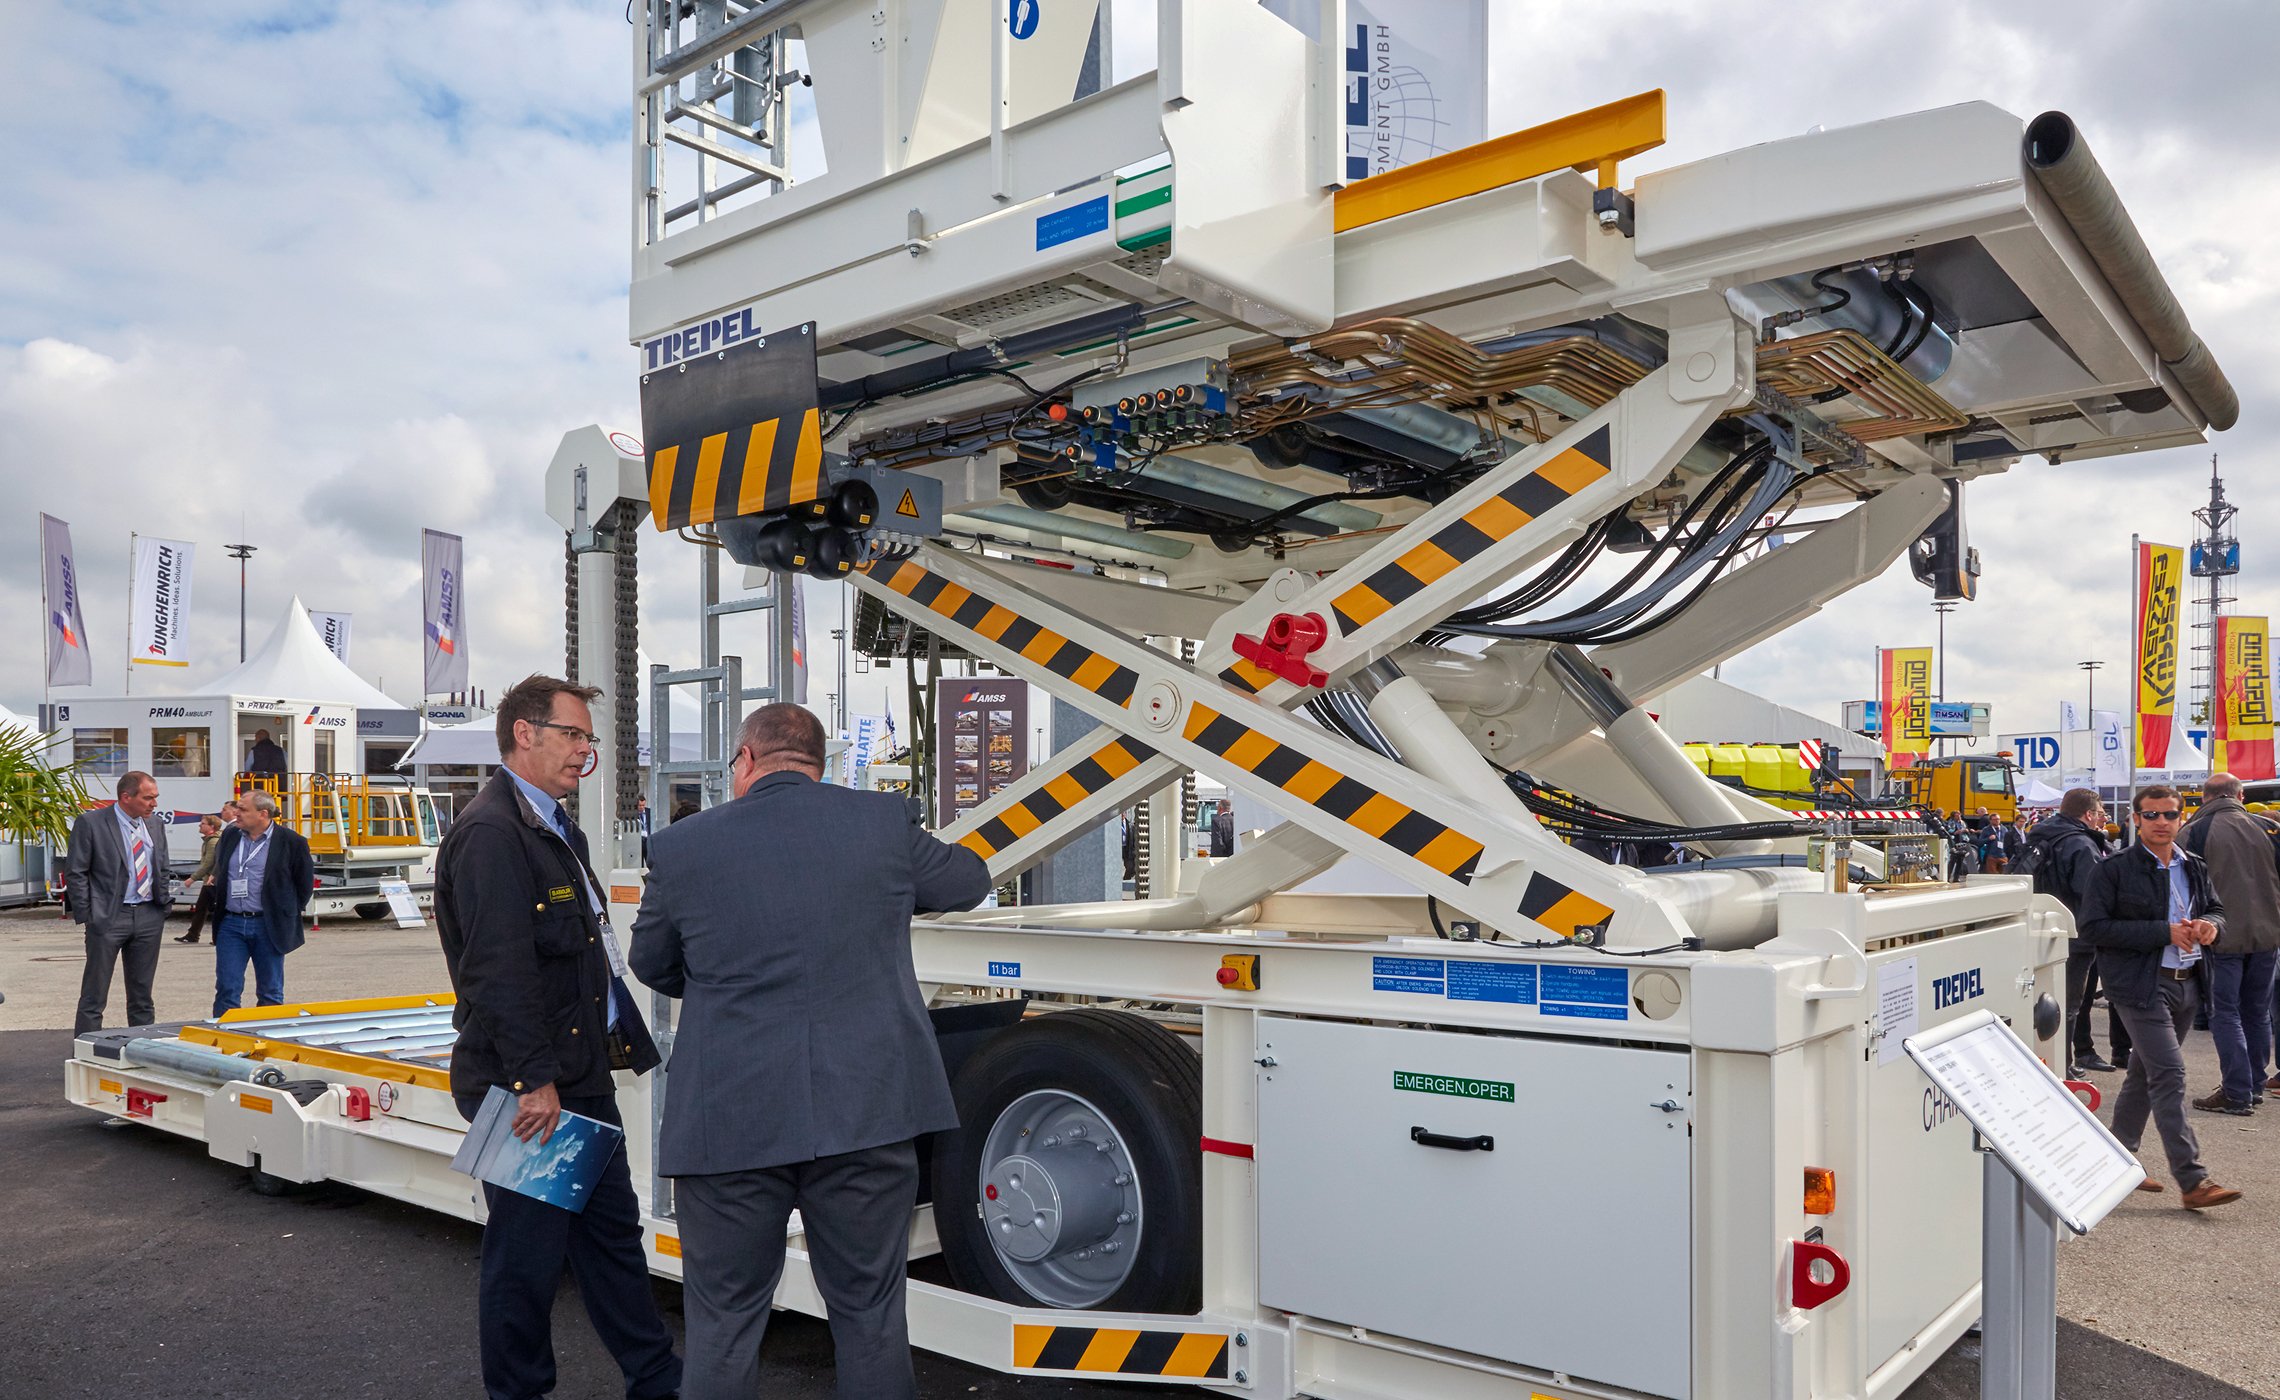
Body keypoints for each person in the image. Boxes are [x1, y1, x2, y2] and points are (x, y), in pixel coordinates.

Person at [632, 702, 990, 1400]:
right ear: (818, 765)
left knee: (724, 1323)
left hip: (729, 1119)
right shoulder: (880, 823)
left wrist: (721, 986)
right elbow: (969, 883)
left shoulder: (681, 846)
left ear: (745, 761)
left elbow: (653, 962)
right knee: (870, 1315)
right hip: (865, 1111)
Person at [435, 674, 680, 1400]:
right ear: (525, 733)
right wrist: (532, 1080)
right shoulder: (492, 834)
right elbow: (496, 971)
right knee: (526, 1260)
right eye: (573, 735)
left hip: (576, 1078)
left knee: (611, 1239)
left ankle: (657, 1381)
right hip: (531, 1090)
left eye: (588, 739)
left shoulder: (550, 825)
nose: (584, 751)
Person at [2079, 785, 2242, 1209]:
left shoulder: (2194, 865)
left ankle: (2114, 1162)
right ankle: (2193, 1180)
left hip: (2188, 982)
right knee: (2169, 1073)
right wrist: (2162, 932)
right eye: (2151, 815)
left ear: (2181, 818)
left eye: (2169, 814)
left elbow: (2217, 909)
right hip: (2140, 985)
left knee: (2143, 1073)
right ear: (2135, 820)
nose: (2161, 822)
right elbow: (2092, 927)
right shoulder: (2113, 868)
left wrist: (2211, 926)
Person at [2181, 773, 2280, 1115]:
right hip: (2267, 934)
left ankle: (2237, 1091)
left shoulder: (2194, 831)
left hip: (2219, 935)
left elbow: (2183, 887)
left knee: (2225, 1012)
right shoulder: (2269, 829)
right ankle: (2252, 1084)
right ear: (2240, 796)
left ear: (2205, 797)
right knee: (2256, 1011)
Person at [66, 770, 174, 1034]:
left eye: (155, 797)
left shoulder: (154, 824)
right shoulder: (92, 823)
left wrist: (162, 907)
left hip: (148, 916)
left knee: (142, 994)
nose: (154, 804)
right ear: (126, 797)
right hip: (108, 917)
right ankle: (86, 1047)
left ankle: (142, 1046)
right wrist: (89, 914)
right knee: (95, 993)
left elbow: (162, 866)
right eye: (148, 798)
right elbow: (76, 871)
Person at [2028, 789, 2125, 1076]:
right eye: (2101, 813)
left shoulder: (2043, 834)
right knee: (2069, 1003)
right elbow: (2093, 890)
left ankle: (2076, 1054)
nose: (2102, 819)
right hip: (2077, 932)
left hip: (2044, 926)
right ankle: (2063, 1065)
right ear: (2089, 814)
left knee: (2055, 1000)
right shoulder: (2080, 843)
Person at [210, 792, 315, 1016]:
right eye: (237, 808)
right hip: (231, 924)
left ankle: (268, 1033)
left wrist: (285, 913)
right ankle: (224, 1033)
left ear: (263, 814)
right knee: (227, 987)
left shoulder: (291, 841)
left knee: (270, 991)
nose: (236, 813)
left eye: (243, 809)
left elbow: (304, 885)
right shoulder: (230, 835)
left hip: (268, 925)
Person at [174, 811, 227, 945]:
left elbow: (209, 863)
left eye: (203, 824)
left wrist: (192, 878)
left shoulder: (212, 842)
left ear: (212, 827)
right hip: (208, 881)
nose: (199, 825)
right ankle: (193, 935)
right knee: (201, 909)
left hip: (211, 882)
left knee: (209, 909)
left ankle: (212, 937)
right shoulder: (209, 840)